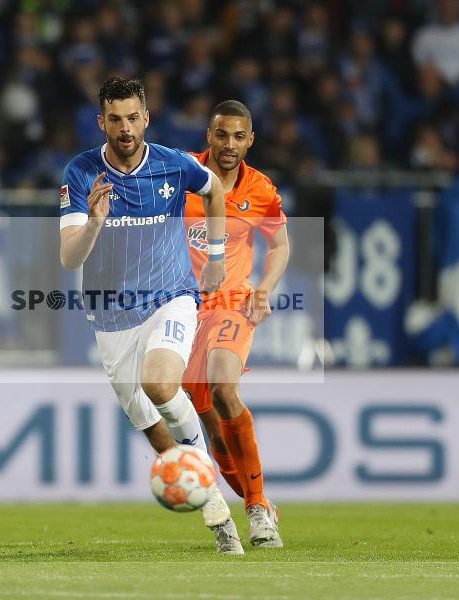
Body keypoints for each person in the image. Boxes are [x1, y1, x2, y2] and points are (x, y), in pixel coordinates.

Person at [58, 77, 236, 552]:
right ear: (102, 122)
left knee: (160, 384)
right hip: (111, 317)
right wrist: (94, 223)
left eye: (133, 118)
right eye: (115, 119)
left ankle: (214, 502)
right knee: (156, 433)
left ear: (146, 119)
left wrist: (216, 256)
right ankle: (214, 501)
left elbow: (215, 190)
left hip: (170, 296)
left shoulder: (173, 164)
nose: (125, 128)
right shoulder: (81, 173)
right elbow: (70, 258)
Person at [182, 100, 289, 550]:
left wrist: (264, 288)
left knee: (225, 390)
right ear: (209, 136)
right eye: (222, 135)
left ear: (250, 141)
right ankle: (257, 502)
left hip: (232, 303)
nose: (229, 144)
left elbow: (279, 244)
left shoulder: (260, 189)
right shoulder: (181, 172)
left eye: (238, 137)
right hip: (182, 310)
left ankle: (257, 510)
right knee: (212, 428)